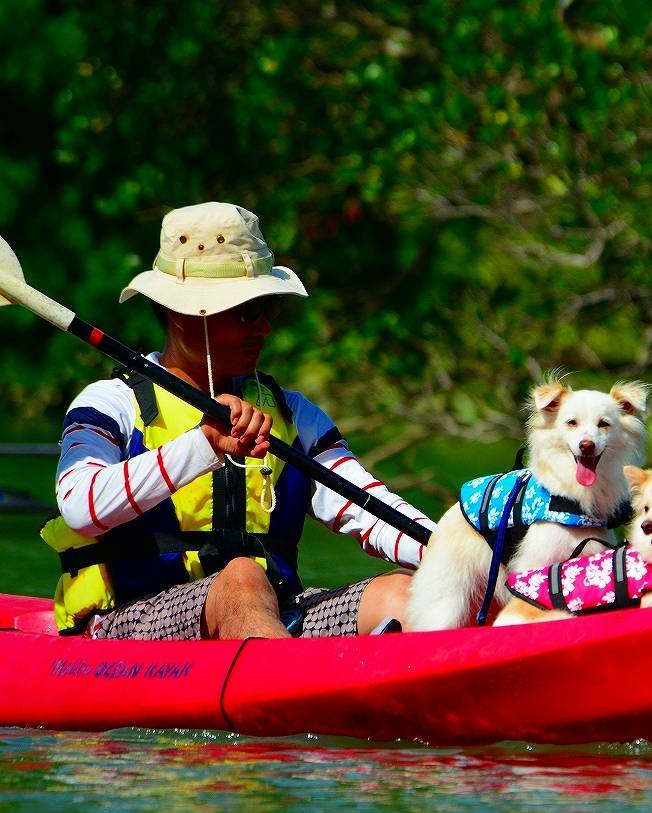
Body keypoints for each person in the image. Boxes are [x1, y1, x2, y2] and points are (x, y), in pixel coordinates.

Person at [42, 202, 434, 640]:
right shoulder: (109, 403)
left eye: (268, 308)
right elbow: (79, 508)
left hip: (274, 612)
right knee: (241, 576)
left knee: (410, 592)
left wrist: (457, 555)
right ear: (183, 315)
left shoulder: (293, 413)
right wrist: (203, 445)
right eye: (248, 311)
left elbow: (372, 512)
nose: (264, 328)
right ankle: (287, 694)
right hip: (136, 624)